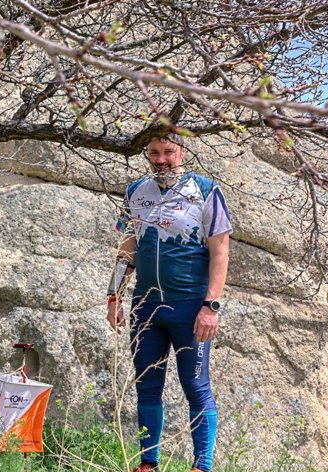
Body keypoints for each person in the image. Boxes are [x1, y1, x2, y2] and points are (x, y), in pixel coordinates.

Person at [106, 135, 232, 472]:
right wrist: (114, 295)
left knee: (195, 385)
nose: (161, 160)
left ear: (183, 152)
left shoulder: (206, 190)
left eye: (168, 152)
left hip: (190, 307)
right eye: (154, 153)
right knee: (147, 386)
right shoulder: (135, 191)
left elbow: (221, 252)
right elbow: (127, 247)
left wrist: (211, 306)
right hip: (146, 306)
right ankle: (149, 463)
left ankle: (202, 465)